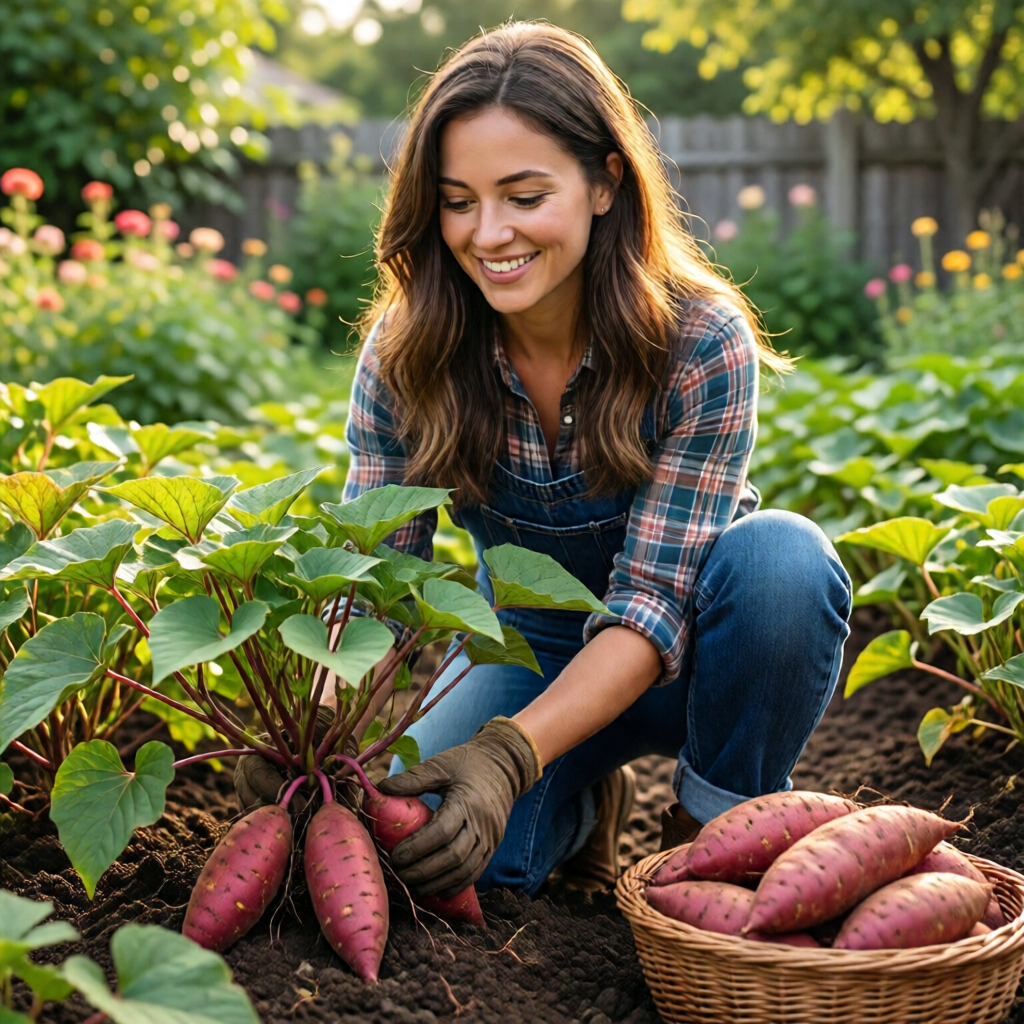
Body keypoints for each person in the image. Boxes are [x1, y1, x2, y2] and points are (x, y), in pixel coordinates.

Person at [235, 21, 852, 900]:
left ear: (605, 183)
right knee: (438, 861)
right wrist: (319, 724)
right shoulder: (410, 352)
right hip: (524, 643)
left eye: (524, 196)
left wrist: (505, 754)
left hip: (701, 652)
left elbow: (651, 602)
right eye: (457, 201)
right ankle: (580, 806)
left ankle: (710, 828)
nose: (489, 233)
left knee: (784, 562)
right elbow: (376, 571)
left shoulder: (700, 342)